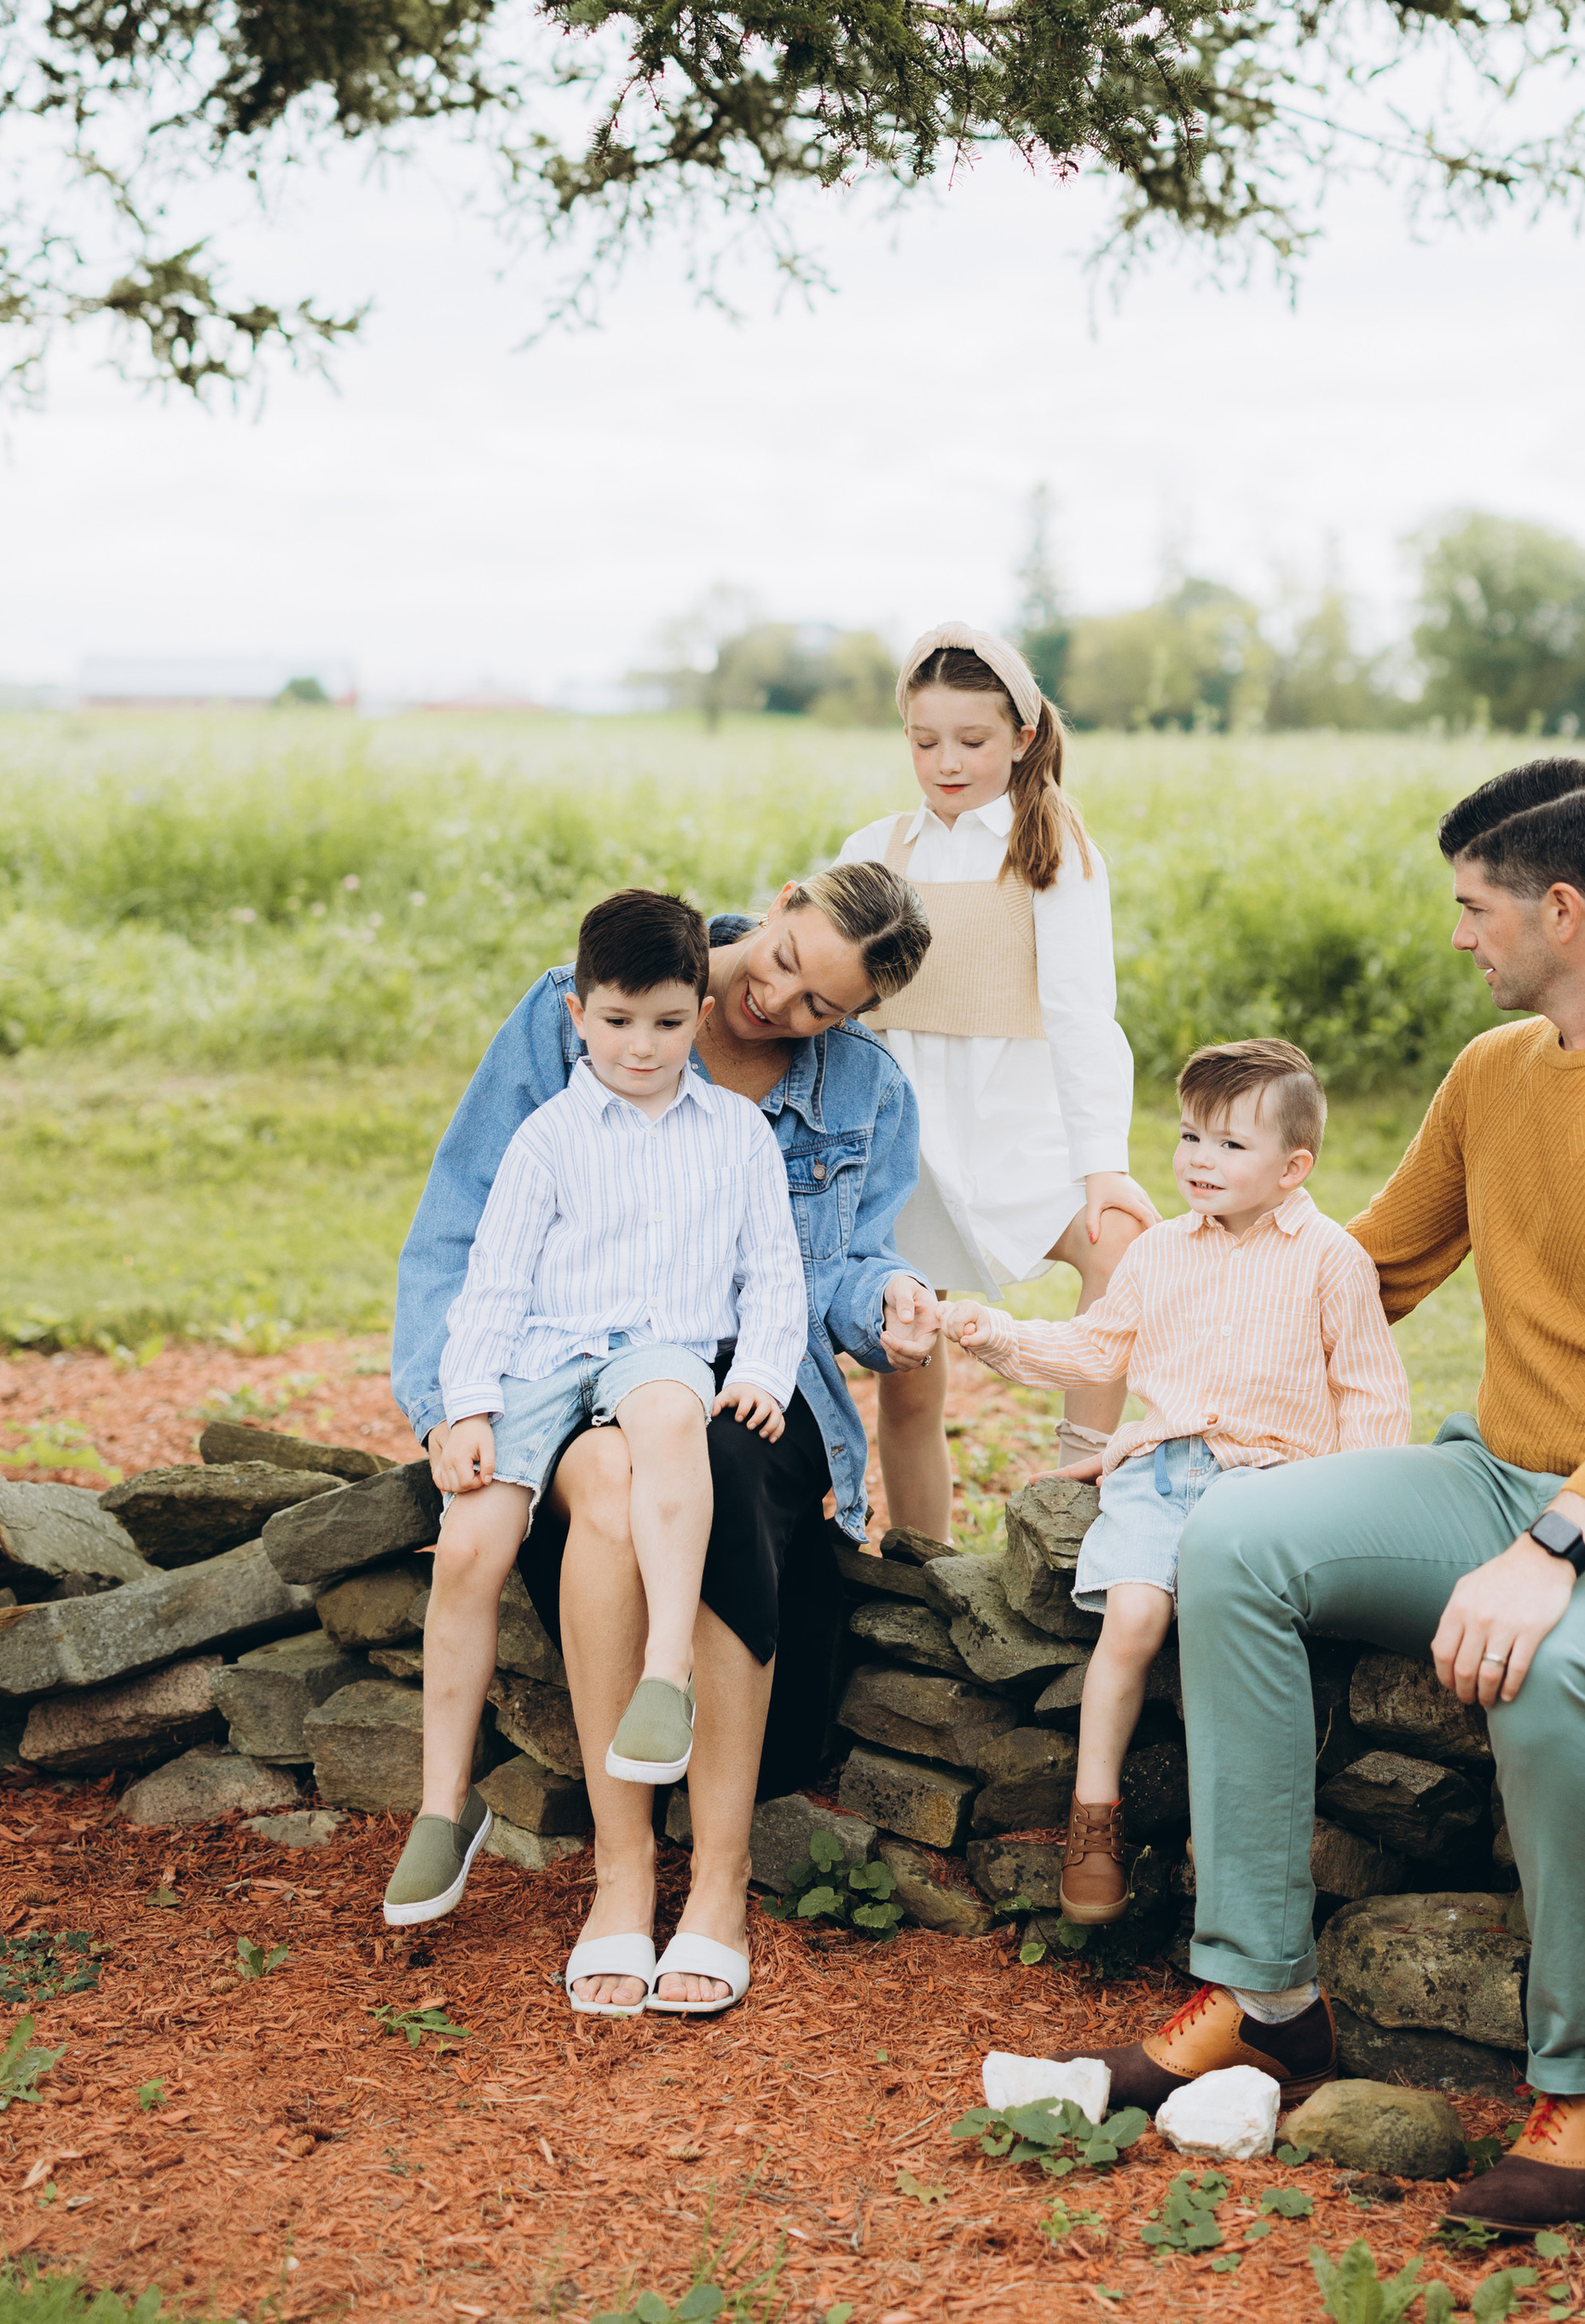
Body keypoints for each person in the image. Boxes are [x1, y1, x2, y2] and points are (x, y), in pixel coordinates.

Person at [1083, 759, 1585, 2229]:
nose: (1460, 938)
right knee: (1230, 1543)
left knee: (1548, 1669)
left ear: (1558, 908)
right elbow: (1360, 1274)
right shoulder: (1492, 1077)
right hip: (1492, 1476)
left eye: (1475, 911)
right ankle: (1264, 1998)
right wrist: (1184, 1319)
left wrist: (1557, 1544)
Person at [390, 861, 944, 2015]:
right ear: (781, 904)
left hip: (746, 1372)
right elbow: (462, 1228)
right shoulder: (593, 1002)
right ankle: (623, 1868)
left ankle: (722, 1880)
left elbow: (835, 1270)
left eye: (820, 1008)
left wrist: (887, 1299)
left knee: (723, 1463)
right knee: (601, 1485)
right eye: (785, 965)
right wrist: (454, 1404)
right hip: (567, 1360)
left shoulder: (865, 1094)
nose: (778, 1007)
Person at [383, 888, 809, 1944]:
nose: (642, 1045)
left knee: (671, 1417)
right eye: (617, 1022)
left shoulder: (736, 1133)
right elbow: (491, 1282)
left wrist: (760, 1367)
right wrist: (467, 1404)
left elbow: (775, 1275)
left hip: (659, 1344)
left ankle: (664, 1676)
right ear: (577, 1013)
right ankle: (446, 1805)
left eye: (668, 1023)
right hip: (540, 1358)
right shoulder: (547, 1136)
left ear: (698, 1016)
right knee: (471, 1545)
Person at [943, 1035, 1409, 1923]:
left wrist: (1354, 1514)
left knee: (1224, 1635)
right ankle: (1093, 1814)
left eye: (1232, 1145)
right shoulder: (1158, 1252)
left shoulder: (1330, 1259)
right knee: (1134, 1616)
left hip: (1271, 1483)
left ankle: (1226, 1829)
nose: (1200, 1159)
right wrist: (992, 1332)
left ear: (1293, 1165)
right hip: (1163, 1472)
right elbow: (1096, 1346)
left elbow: (1370, 1394)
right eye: (1192, 1135)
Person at [836, 620, 1158, 1536]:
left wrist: (1101, 1163)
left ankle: (1071, 1499)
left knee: (1121, 1245)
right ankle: (919, 1558)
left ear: (1021, 736)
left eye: (972, 742)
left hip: (1019, 1133)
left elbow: (1081, 1016)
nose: (946, 761)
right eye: (924, 740)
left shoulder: (1052, 850)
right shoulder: (874, 847)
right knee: (907, 1377)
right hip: (906, 1147)